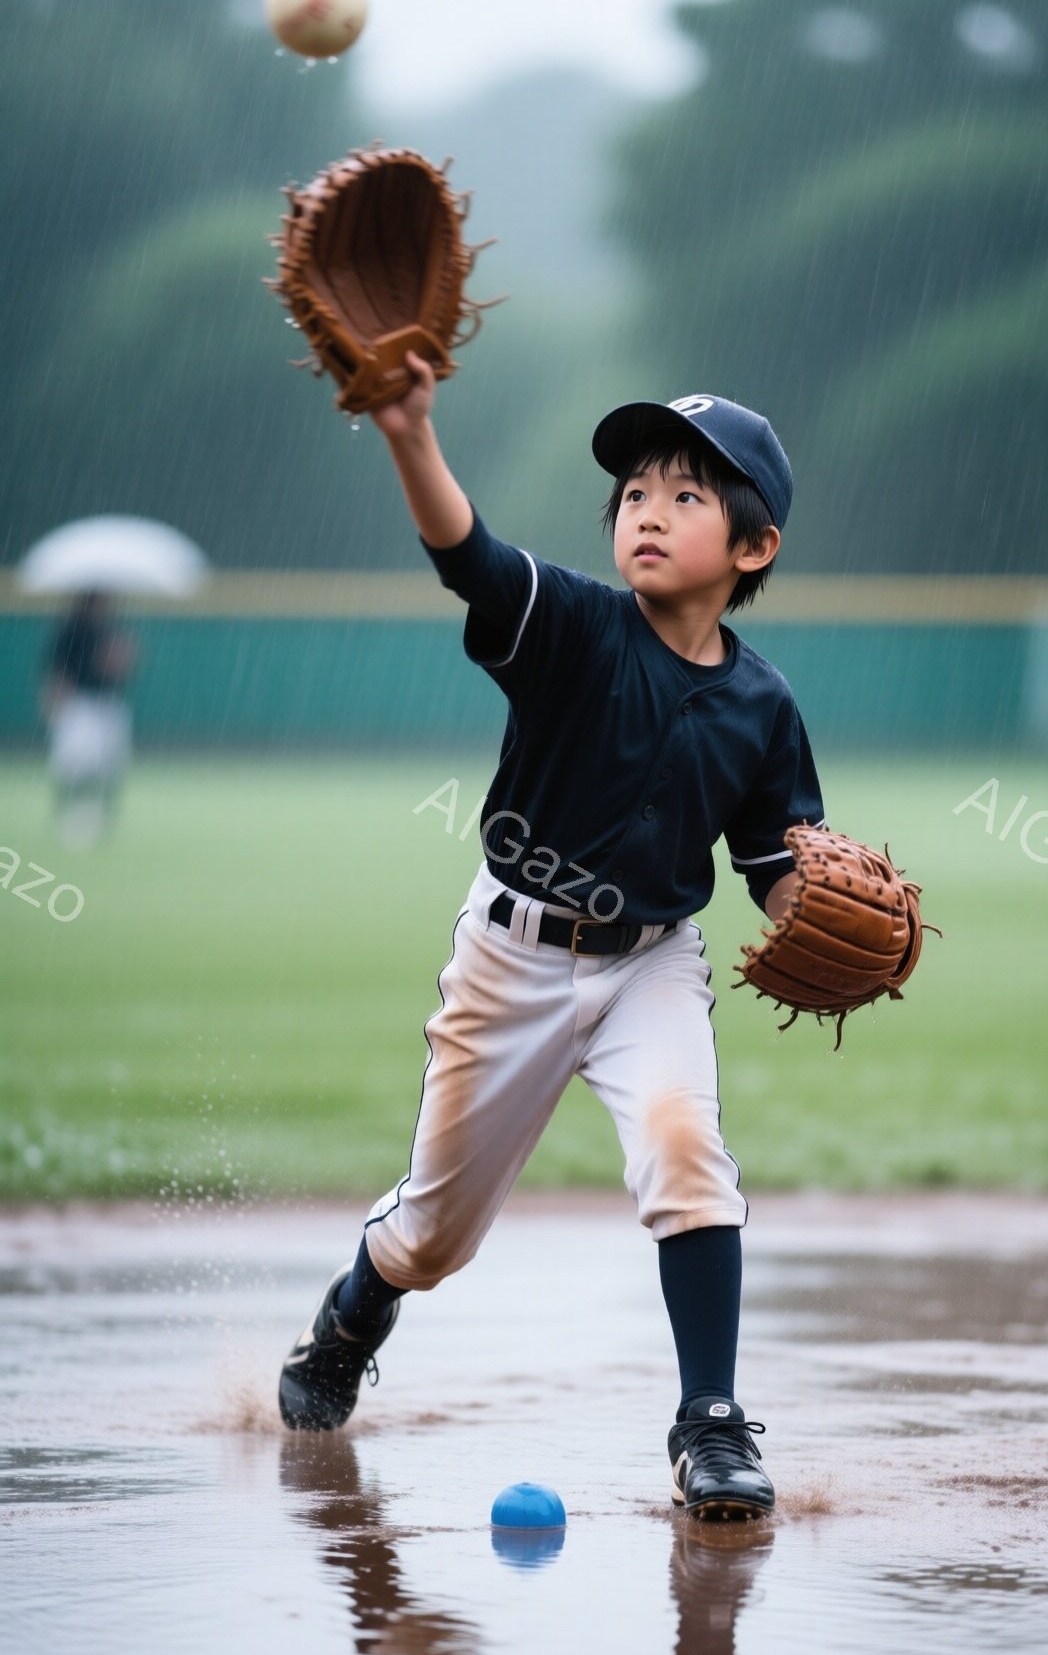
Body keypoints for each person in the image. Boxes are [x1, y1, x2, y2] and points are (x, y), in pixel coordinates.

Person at [278, 355, 825, 1521]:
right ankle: (351, 1316)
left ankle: (711, 1423)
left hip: (651, 963)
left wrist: (819, 926)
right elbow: (467, 557)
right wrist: (410, 433)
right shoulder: (573, 625)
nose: (648, 510)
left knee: (686, 1151)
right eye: (634, 491)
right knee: (432, 1237)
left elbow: (777, 871)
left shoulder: (764, 707)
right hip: (510, 957)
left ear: (752, 548)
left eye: (687, 495)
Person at [40, 590, 136, 847]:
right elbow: (57, 670)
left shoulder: (108, 629)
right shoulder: (71, 630)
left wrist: (122, 656)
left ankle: (103, 815)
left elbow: (117, 667)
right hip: (79, 704)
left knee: (111, 763)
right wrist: (55, 700)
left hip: (107, 702)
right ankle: (67, 813)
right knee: (74, 763)